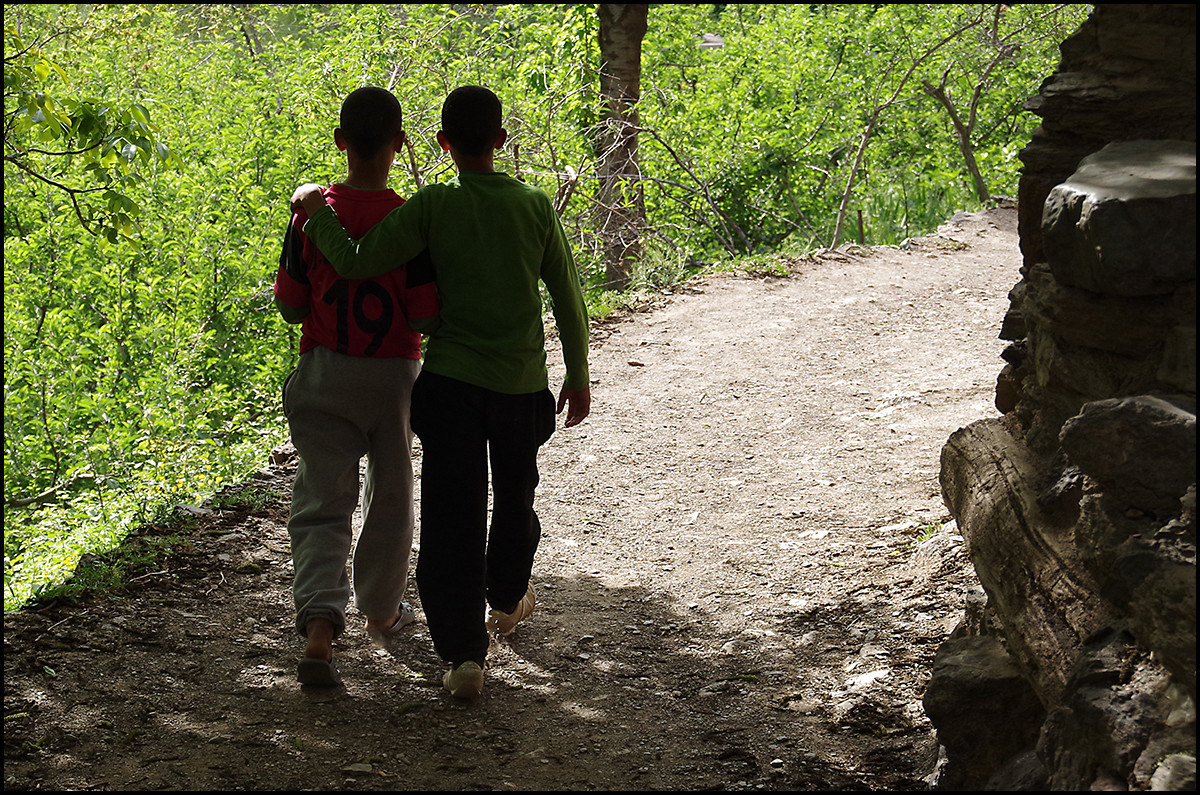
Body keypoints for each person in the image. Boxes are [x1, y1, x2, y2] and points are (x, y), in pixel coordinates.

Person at [290, 85, 591, 699]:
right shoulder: (534, 206)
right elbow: (565, 294)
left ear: (440, 143)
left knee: (448, 516)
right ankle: (502, 595)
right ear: (501, 140)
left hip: (443, 387)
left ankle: (460, 657)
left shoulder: (430, 206)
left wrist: (312, 210)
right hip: (514, 387)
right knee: (511, 500)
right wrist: (578, 373)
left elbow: (353, 261)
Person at [274, 86, 438, 688]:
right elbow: (423, 314)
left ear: (341, 141)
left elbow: (291, 306)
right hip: (394, 375)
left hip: (326, 373)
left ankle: (320, 625)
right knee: (391, 494)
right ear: (399, 146)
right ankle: (381, 609)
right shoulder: (411, 219)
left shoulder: (310, 215)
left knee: (321, 501)